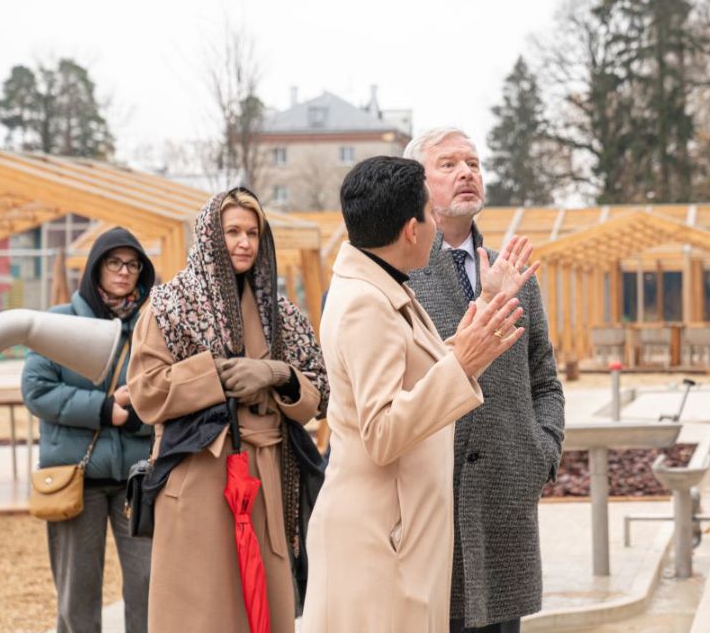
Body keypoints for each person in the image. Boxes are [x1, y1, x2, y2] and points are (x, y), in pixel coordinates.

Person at [301, 156, 524, 633]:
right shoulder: (366, 302)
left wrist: (481, 320)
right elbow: (381, 430)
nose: (436, 225)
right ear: (411, 229)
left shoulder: (381, 286)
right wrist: (462, 362)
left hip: (392, 538)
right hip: (378, 544)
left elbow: (416, 370)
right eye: (431, 213)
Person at [128, 188, 328, 633]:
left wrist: (278, 373)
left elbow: (320, 390)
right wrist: (213, 374)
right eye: (232, 231)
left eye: (253, 233)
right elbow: (144, 392)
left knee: (265, 609)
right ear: (209, 237)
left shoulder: (281, 314)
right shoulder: (169, 306)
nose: (244, 243)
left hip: (267, 474)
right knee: (201, 609)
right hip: (197, 477)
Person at [404, 127, 565, 633]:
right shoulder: (397, 274)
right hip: (433, 494)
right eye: (448, 164)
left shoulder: (517, 272)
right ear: (417, 184)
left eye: (472, 162)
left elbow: (545, 377)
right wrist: (488, 304)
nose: (466, 172)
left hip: (505, 498)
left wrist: (543, 449)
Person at [22, 226, 156, 633]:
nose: (123, 272)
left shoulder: (152, 325)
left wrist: (136, 414)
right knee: (77, 595)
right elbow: (37, 389)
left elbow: (171, 387)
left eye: (133, 264)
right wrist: (104, 409)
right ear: (96, 268)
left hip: (137, 478)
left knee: (150, 583)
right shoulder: (58, 322)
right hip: (75, 479)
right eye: (114, 263)